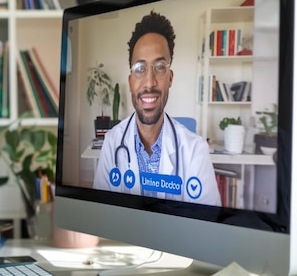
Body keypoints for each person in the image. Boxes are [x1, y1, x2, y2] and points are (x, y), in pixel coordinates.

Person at [93, 11, 220, 206]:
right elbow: (99, 217)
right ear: (130, 82)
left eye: (160, 67)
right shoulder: (112, 143)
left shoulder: (196, 150)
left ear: (170, 78)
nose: (149, 82)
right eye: (139, 69)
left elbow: (206, 228)